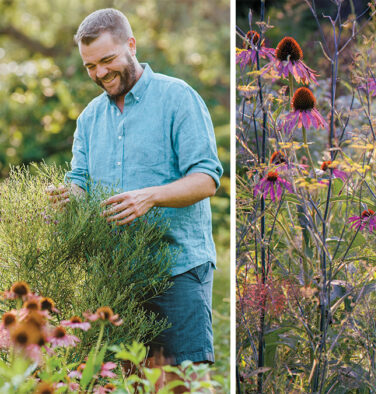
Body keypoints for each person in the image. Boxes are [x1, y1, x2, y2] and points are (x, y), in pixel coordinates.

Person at [47, 8, 223, 390]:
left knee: (179, 385)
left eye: (107, 60)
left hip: (176, 271)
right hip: (116, 276)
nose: (99, 73)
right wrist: (68, 197)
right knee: (124, 384)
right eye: (89, 66)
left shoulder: (178, 98)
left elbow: (207, 179)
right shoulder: (90, 119)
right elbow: (80, 182)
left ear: (131, 45)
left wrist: (151, 197)